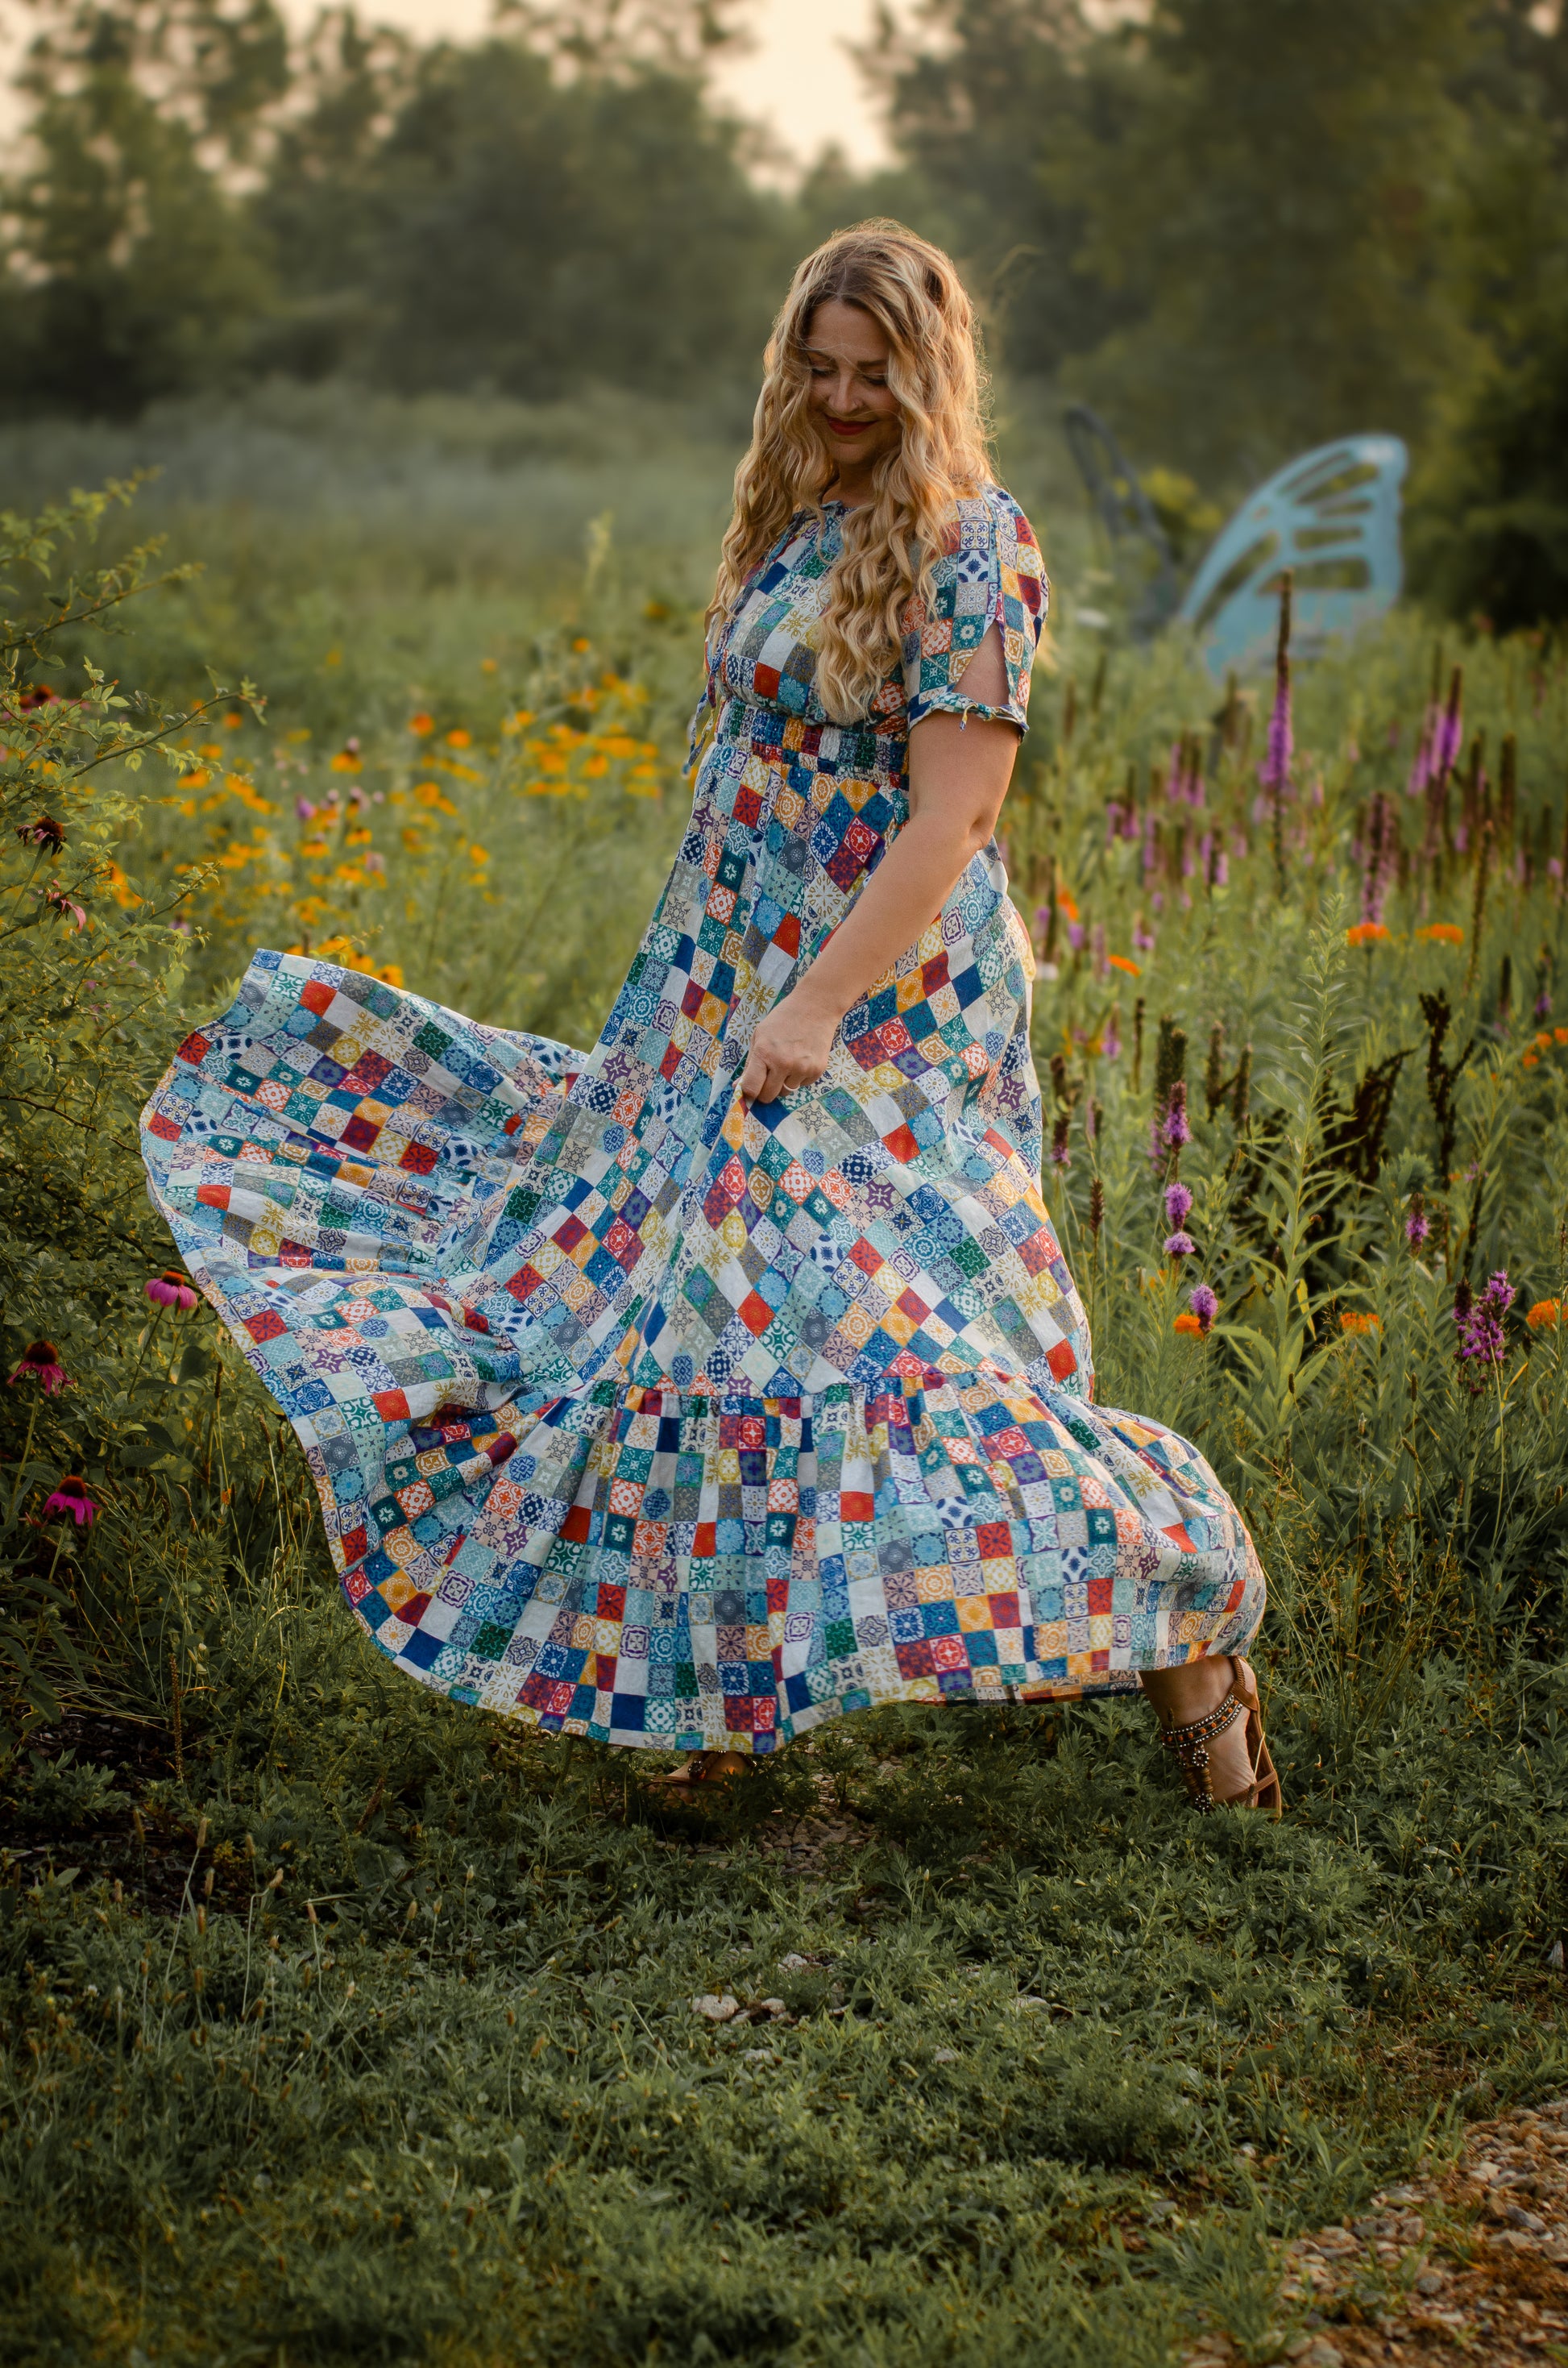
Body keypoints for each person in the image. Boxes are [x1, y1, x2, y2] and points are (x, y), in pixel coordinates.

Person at [141, 222, 1277, 1816]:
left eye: (872, 374)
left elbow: (953, 817)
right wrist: (711, 996)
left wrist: (814, 1001)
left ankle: (1194, 1631)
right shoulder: (800, 522)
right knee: (681, 1329)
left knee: (916, 1363)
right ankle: (715, 1697)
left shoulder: (975, 543)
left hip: (878, 1016)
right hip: (719, 999)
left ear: (930, 374)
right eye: (818, 367)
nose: (841, 397)